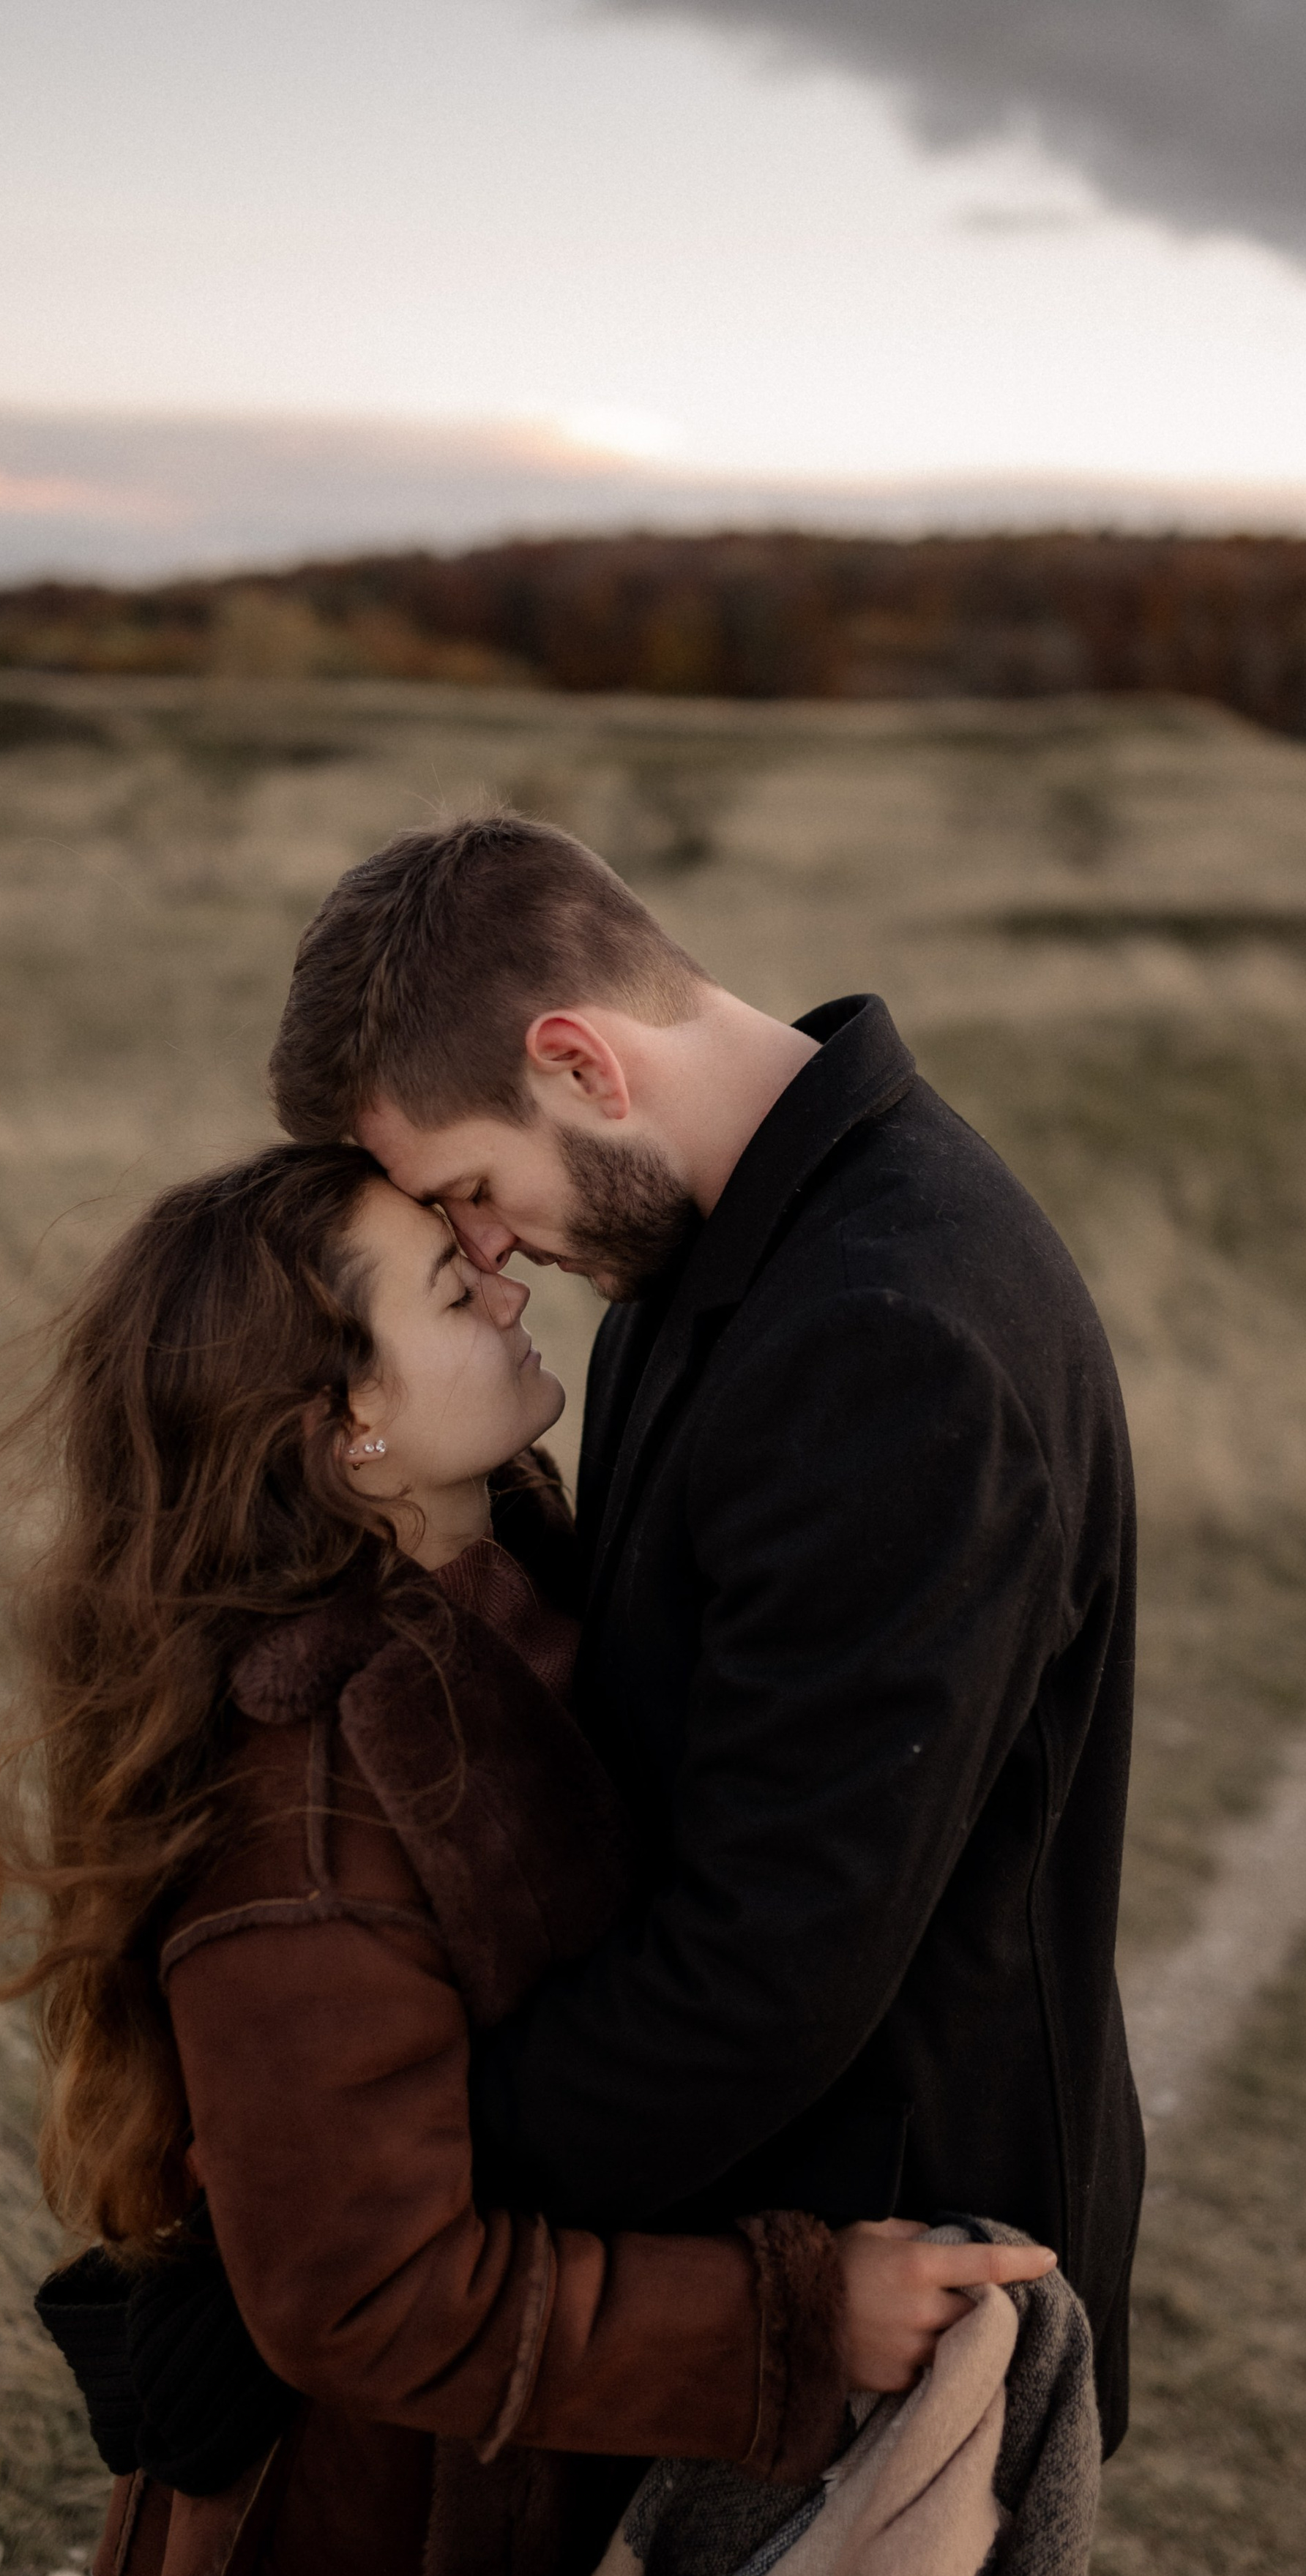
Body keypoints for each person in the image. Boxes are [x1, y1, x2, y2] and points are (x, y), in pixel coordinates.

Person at [0, 1142, 1053, 2576]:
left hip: (525, 2505)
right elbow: (362, 2288)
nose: (510, 1282)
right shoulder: (300, 1800)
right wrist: (792, 2322)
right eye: (452, 1287)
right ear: (343, 1424)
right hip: (388, 2566)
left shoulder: (500, 1571)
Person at [270, 813, 1144, 2450]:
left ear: (577, 1061)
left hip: (898, 2266)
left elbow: (765, 1968)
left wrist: (360, 2186)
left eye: (471, 1184)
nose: (485, 1244)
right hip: (763, 2222)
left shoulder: (888, 1334)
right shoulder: (711, 1246)